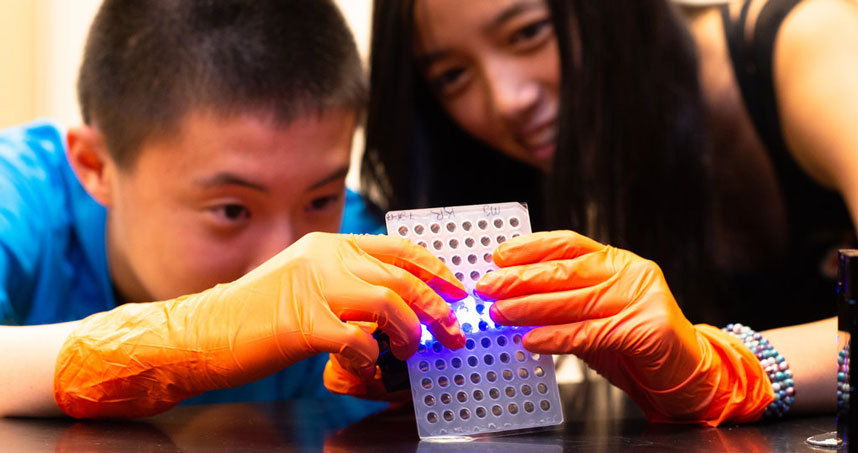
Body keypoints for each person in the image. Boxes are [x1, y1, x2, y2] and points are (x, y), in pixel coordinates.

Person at [325, 0, 858, 426]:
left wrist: (739, 368)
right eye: (451, 75)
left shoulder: (813, 49)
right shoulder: (515, 160)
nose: (506, 100)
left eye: (528, 32)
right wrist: (428, 371)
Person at [0, 0, 467, 419]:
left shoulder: (363, 255)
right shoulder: (20, 198)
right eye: (232, 210)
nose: (289, 257)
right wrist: (188, 337)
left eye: (322, 199)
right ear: (96, 165)